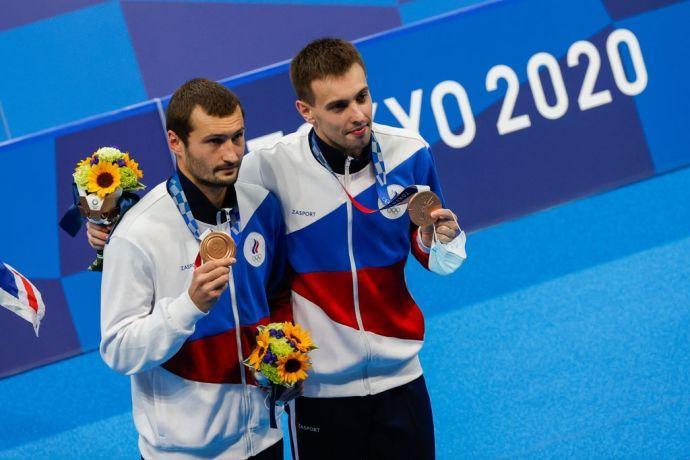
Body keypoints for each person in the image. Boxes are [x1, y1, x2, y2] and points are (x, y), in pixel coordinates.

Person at [239, 38, 467, 459]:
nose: (358, 114)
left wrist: (442, 241)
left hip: (402, 378)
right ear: (305, 111)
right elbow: (199, 212)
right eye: (339, 106)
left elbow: (433, 255)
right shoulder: (269, 168)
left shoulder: (410, 153)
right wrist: (112, 232)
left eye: (362, 96)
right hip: (320, 392)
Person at [98, 78, 292, 460]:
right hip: (185, 452)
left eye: (237, 137)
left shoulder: (261, 206)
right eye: (215, 142)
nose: (233, 154)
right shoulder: (137, 234)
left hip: (265, 437)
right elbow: (118, 350)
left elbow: (278, 294)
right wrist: (189, 305)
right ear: (175, 143)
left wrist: (283, 352)